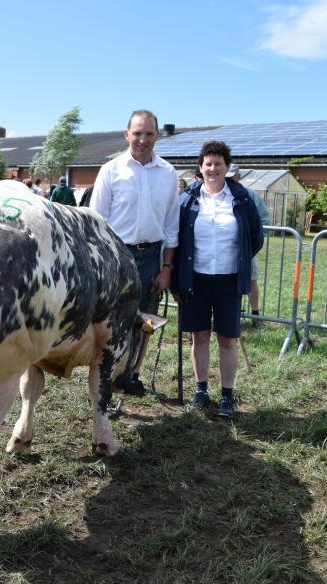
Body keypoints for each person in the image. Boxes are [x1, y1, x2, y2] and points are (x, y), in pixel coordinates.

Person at [171, 141, 263, 417]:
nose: (212, 168)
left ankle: (227, 395)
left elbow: (255, 238)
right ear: (200, 168)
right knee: (199, 335)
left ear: (227, 167)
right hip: (195, 278)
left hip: (228, 280)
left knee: (227, 339)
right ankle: (200, 390)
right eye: (208, 163)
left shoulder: (241, 198)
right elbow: (176, 239)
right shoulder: (186, 200)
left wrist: (239, 261)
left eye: (218, 163)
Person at [91, 109, 179, 395]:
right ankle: (107, 375)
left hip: (151, 258)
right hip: (115, 256)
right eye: (137, 133)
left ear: (158, 136)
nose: (143, 139)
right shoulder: (111, 170)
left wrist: (166, 268)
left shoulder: (167, 173)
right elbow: (96, 221)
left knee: (146, 322)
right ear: (127, 134)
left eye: (149, 134)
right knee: (113, 322)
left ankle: (133, 374)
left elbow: (171, 226)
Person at [226, 164, 270, 324]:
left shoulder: (249, 195)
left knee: (251, 279)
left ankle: (255, 314)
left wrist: (250, 246)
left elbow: (264, 222)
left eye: (232, 176)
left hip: (245, 250)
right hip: (221, 251)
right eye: (227, 176)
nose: (229, 179)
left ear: (239, 176)